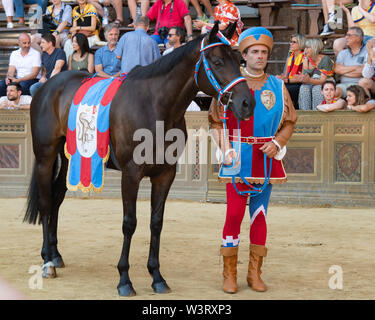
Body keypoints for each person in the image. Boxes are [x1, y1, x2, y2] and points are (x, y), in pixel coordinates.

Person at [208, 27, 297, 294]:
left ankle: (254, 273)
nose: (260, 56)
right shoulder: (230, 85)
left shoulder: (278, 86)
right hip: (236, 159)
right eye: (254, 52)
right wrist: (226, 148)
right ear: (244, 56)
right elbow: (214, 121)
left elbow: (290, 121)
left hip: (265, 160)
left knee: (260, 216)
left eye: (264, 52)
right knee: (234, 214)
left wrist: (278, 142)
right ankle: (229, 273)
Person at [298, 38, 335, 110]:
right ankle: (305, 115)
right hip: (311, 81)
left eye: (307, 48)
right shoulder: (306, 59)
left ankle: (317, 114)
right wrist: (302, 78)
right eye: (305, 48)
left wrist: (308, 80)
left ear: (315, 48)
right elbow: (305, 77)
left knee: (317, 89)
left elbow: (323, 80)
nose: (305, 50)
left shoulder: (325, 59)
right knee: (303, 88)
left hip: (326, 82)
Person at [335, 26, 367, 99]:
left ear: (358, 38)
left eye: (349, 35)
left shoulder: (367, 52)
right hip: (343, 85)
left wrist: (344, 71)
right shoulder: (342, 53)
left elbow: (363, 71)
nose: (346, 38)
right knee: (334, 91)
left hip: (359, 85)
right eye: (346, 35)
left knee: (357, 91)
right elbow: (337, 70)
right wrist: (356, 67)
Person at [277, 33, 306, 109]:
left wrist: (287, 80)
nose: (291, 44)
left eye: (294, 42)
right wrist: (281, 77)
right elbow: (286, 75)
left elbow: (302, 78)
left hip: (300, 84)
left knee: (286, 90)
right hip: (289, 82)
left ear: (301, 44)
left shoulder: (305, 58)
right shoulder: (289, 58)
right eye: (291, 42)